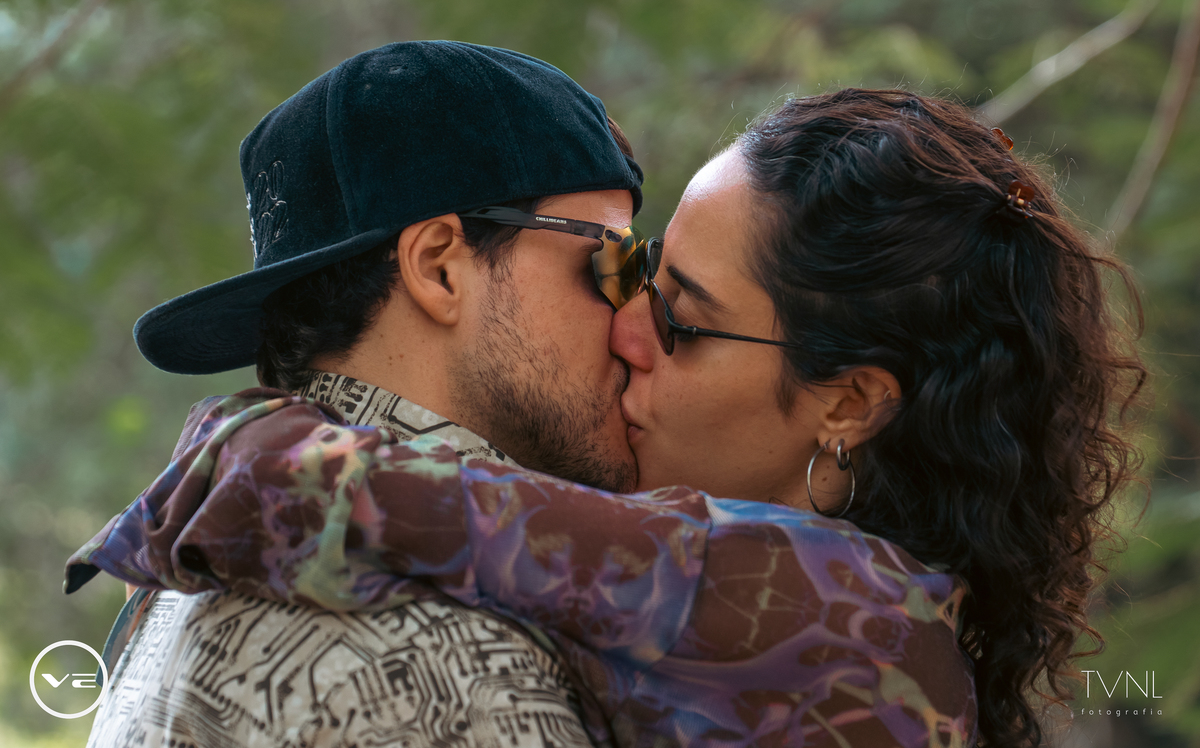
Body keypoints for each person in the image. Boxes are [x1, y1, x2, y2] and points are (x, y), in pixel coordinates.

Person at [69, 89, 1147, 748]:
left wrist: (242, 449)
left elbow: (425, 510)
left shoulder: (836, 609)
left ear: (849, 402)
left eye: (678, 316)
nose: (629, 328)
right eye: (624, 273)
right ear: (433, 267)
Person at [65, 40, 649, 748]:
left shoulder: (194, 568)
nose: (639, 319)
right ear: (438, 268)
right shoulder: (447, 655)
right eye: (615, 260)